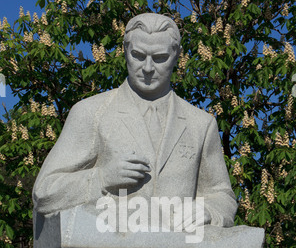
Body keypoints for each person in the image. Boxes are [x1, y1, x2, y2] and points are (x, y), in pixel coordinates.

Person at [33, 13, 237, 227]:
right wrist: (102, 178)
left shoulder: (201, 124)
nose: (148, 68)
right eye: (138, 56)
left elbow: (222, 195)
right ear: (125, 51)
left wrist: (210, 212)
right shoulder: (91, 112)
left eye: (159, 58)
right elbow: (45, 192)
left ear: (176, 56)